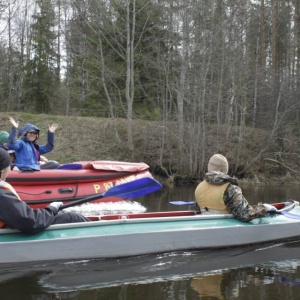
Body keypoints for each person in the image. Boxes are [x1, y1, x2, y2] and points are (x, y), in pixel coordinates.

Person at [0, 148, 89, 233]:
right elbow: (31, 222)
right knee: (72, 217)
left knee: (62, 214)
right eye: (9, 164)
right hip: (11, 237)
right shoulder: (2, 196)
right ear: (3, 169)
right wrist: (52, 209)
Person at [195, 154, 276, 222]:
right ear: (225, 169)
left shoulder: (199, 186)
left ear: (209, 167)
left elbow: (198, 209)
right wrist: (264, 208)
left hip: (206, 222)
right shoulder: (231, 188)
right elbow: (245, 214)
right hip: (223, 226)